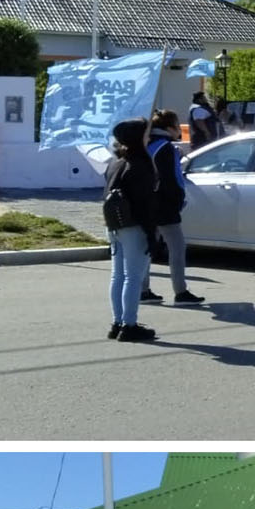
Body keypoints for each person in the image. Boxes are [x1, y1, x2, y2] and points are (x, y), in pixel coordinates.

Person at [102, 117, 159, 343]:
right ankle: (130, 325)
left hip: (115, 225)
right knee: (133, 277)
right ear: (138, 137)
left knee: (118, 275)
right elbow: (145, 204)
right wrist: (151, 234)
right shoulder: (141, 164)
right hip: (135, 226)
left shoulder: (116, 163)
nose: (149, 135)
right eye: (146, 132)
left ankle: (118, 322)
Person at [142, 110, 203, 305]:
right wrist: (177, 201)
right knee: (177, 248)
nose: (179, 129)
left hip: (147, 203)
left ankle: (143, 290)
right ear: (169, 128)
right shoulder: (166, 148)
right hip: (165, 206)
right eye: (178, 125)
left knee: (147, 249)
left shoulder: (147, 144)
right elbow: (173, 180)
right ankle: (181, 291)